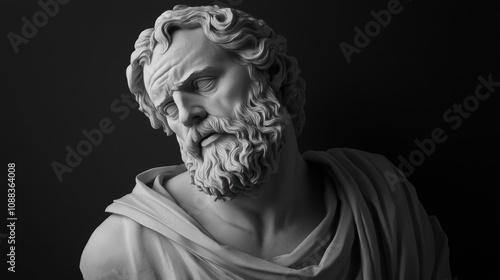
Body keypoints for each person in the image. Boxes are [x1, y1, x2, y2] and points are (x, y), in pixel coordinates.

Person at [80, 5, 452, 280]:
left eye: (202, 83)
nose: (187, 114)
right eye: (167, 107)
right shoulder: (122, 252)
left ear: (269, 73)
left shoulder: (381, 196)